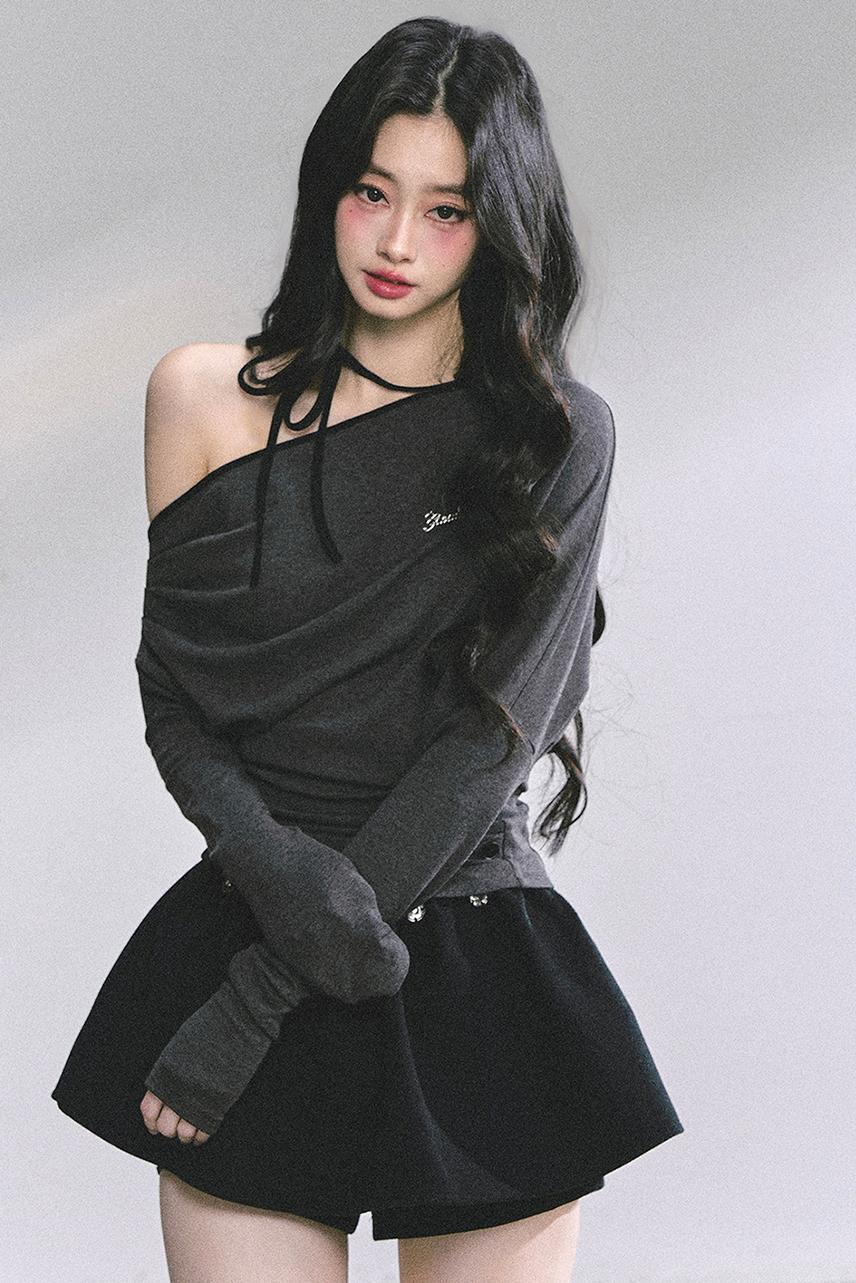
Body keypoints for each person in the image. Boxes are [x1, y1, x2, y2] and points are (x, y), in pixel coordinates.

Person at [51, 16, 684, 1282]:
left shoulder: (559, 437)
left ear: (500, 227)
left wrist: (254, 1004)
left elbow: (484, 748)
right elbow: (177, 697)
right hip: (255, 906)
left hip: (466, 951)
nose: (396, 243)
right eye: (371, 192)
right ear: (326, 190)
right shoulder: (200, 395)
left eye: (446, 211)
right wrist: (282, 890)